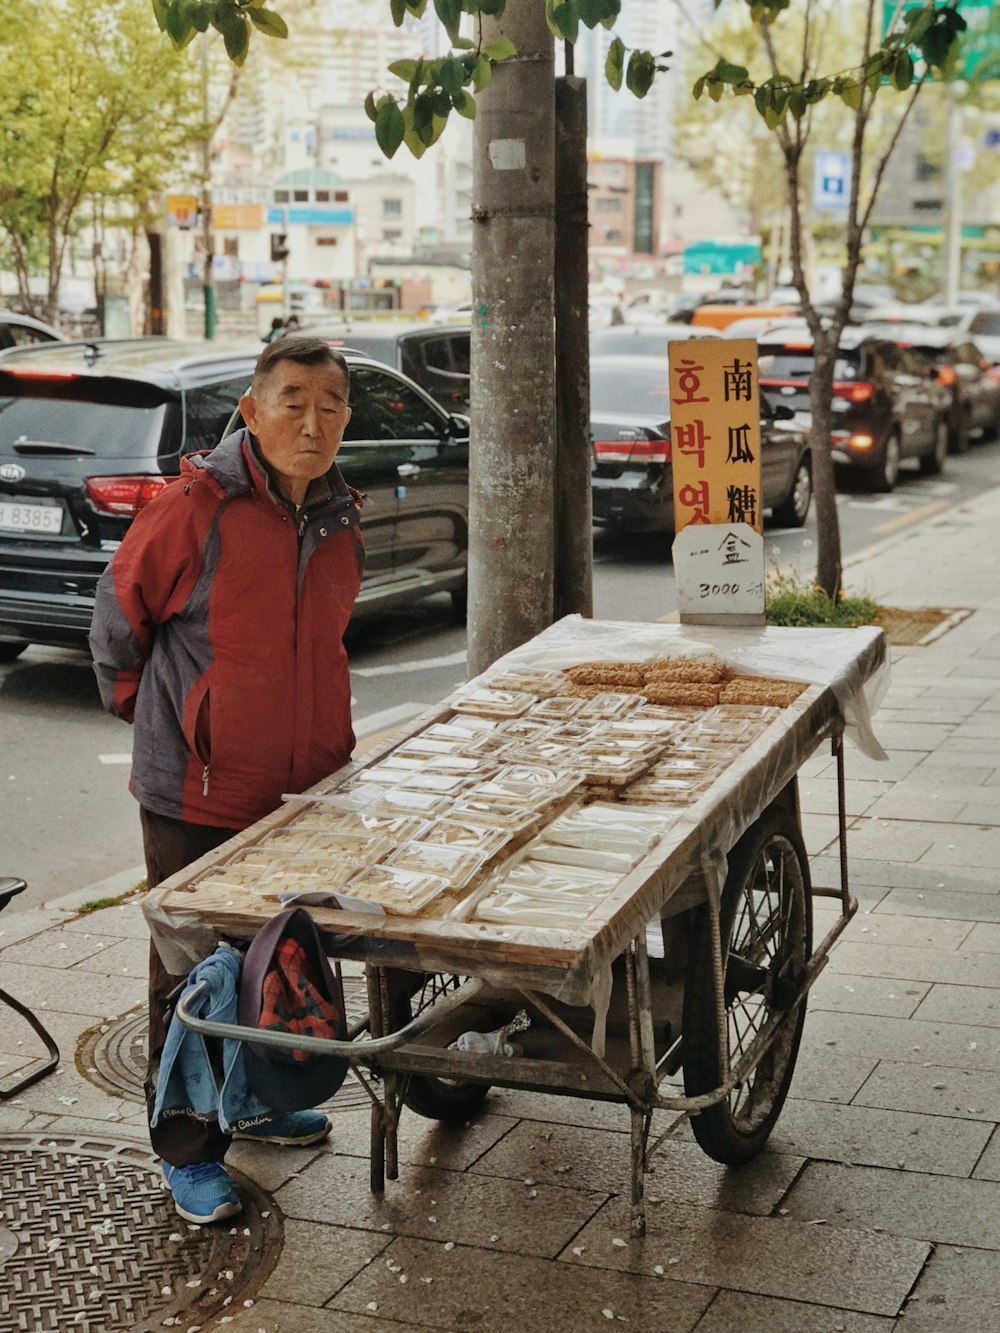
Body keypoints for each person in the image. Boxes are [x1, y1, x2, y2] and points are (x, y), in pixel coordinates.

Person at [89, 337, 363, 1225]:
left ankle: (262, 1100)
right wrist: (173, 729)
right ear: (251, 409)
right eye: (292, 400)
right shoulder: (195, 505)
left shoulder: (338, 514)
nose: (311, 421)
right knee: (193, 978)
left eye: (330, 404)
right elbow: (118, 619)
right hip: (195, 792)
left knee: (282, 958)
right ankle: (188, 1149)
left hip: (305, 792)